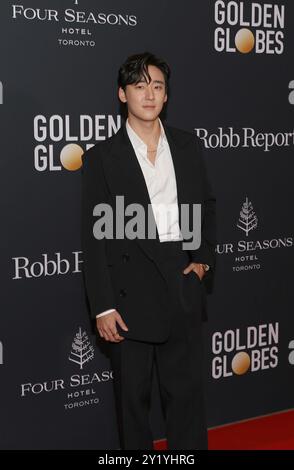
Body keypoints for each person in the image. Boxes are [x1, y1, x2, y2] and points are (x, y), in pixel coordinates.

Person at [81, 52, 216, 450]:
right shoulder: (102, 157)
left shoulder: (187, 145)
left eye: (157, 86)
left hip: (180, 282)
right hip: (128, 296)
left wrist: (202, 260)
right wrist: (103, 306)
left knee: (187, 402)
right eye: (140, 86)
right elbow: (94, 237)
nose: (150, 94)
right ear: (123, 94)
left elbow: (206, 205)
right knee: (133, 408)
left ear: (166, 94)